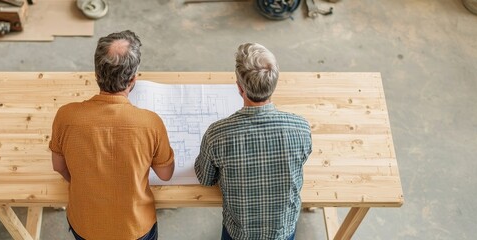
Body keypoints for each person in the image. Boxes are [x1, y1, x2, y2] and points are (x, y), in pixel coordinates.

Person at [49, 30, 175, 240]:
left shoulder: (65, 116)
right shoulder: (151, 123)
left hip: (85, 225)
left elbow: (58, 166)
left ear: (97, 74)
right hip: (135, 228)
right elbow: (165, 175)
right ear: (133, 78)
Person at [194, 43, 312, 240]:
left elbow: (206, 179)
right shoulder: (301, 128)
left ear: (240, 88)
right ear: (274, 83)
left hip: (240, 233)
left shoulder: (217, 134)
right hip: (282, 231)